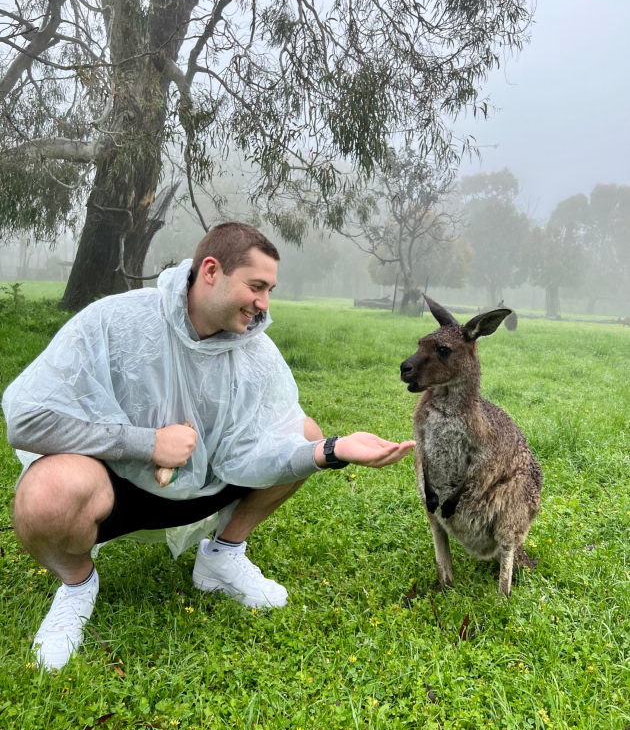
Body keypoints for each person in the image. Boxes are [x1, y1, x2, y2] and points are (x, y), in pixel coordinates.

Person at [3, 222, 414, 670]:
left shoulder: (255, 352)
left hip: (209, 487)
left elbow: (266, 451)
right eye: (256, 286)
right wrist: (146, 443)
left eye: (270, 290)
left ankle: (221, 556)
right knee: (44, 496)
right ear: (212, 271)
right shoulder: (115, 321)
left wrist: (333, 450)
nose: (264, 305)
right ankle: (78, 586)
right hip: (116, 486)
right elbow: (27, 420)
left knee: (305, 432)